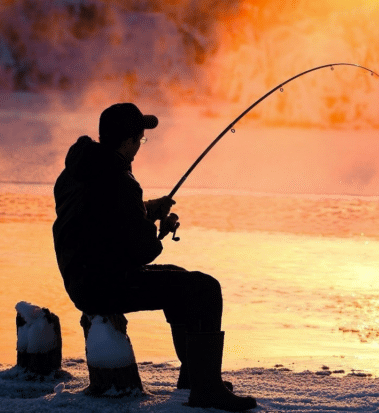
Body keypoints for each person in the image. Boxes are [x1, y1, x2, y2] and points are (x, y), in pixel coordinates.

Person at [52, 103, 256, 411]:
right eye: (140, 140)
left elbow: (100, 218)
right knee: (205, 288)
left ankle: (195, 378)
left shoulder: (76, 172)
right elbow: (144, 250)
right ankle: (206, 389)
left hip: (81, 276)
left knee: (179, 277)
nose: (139, 148)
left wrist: (146, 209)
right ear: (127, 142)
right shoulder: (120, 180)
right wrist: (160, 226)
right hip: (103, 285)